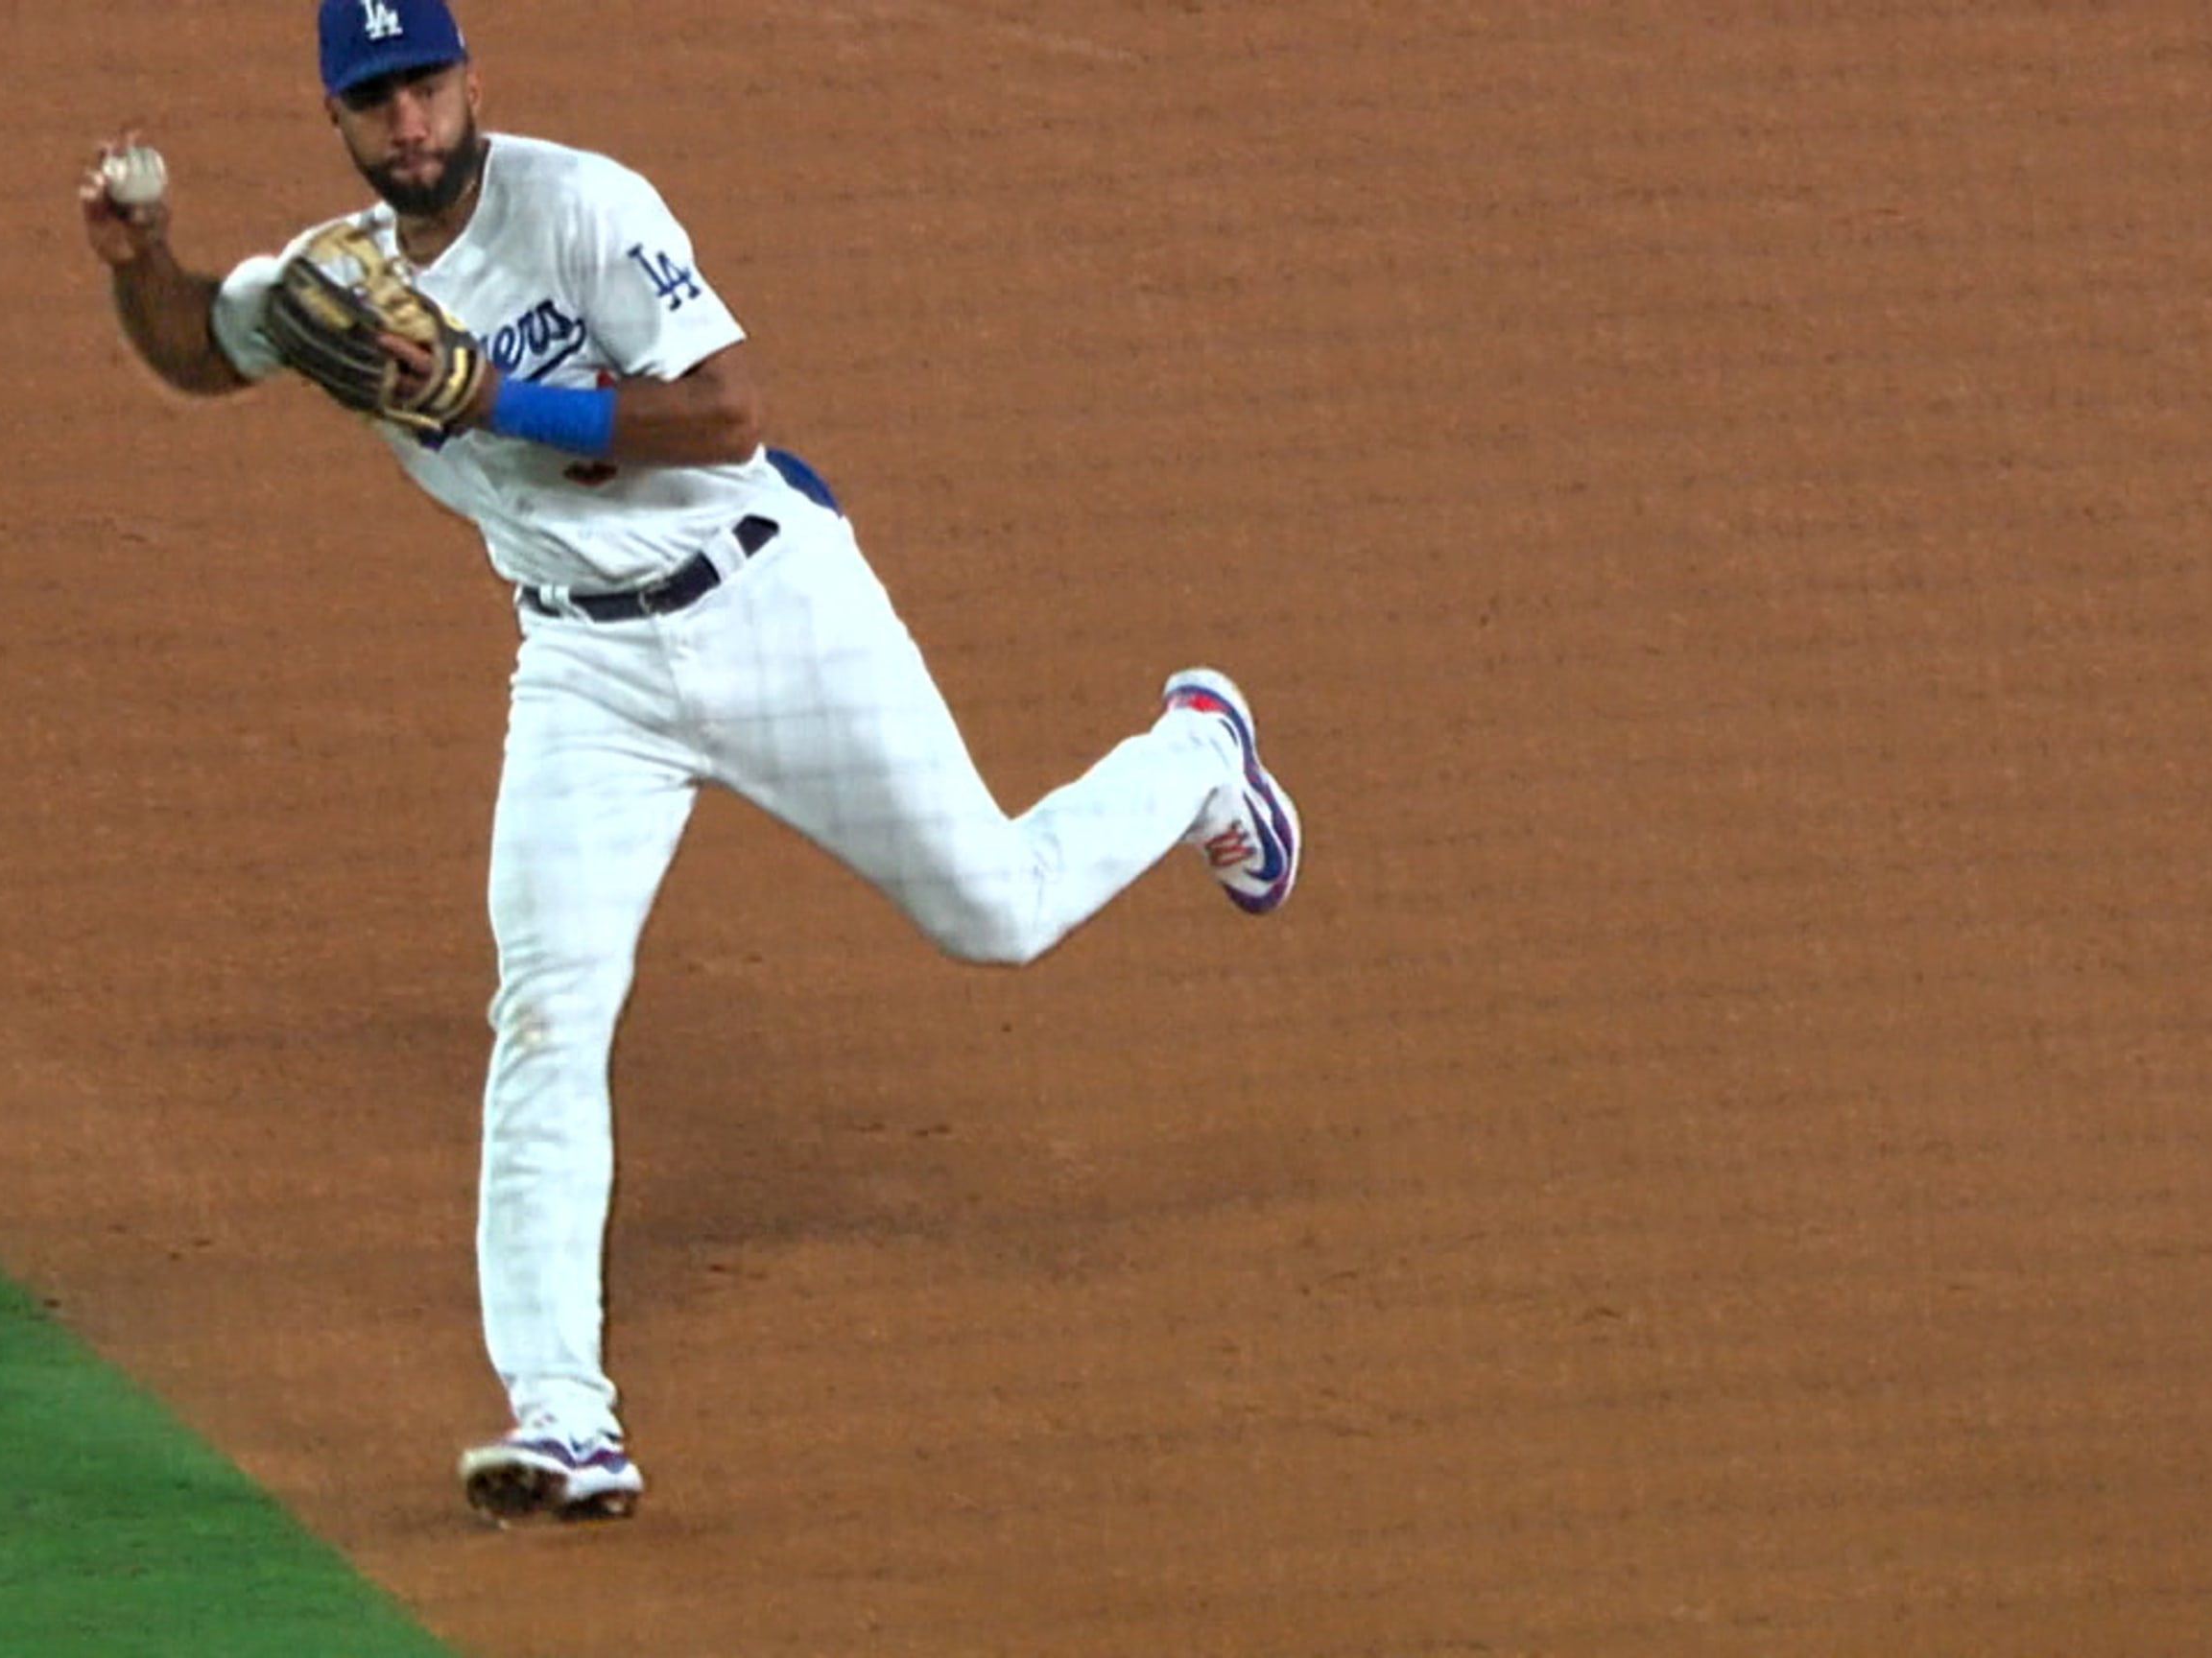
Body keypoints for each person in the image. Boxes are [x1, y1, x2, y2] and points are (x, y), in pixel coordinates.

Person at [76, 0, 1300, 1525]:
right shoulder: (335, 286)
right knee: (546, 1012)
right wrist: (141, 265)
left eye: (427, 86)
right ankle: (564, 1418)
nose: (410, 125)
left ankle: (1195, 756)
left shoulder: (582, 204)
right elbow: (203, 346)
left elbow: (730, 413)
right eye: (376, 100)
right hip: (585, 670)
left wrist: (488, 397)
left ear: (471, 80)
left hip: (768, 602)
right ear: (337, 117)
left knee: (996, 914)